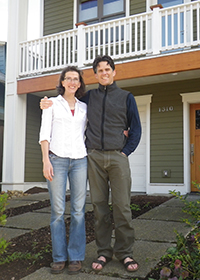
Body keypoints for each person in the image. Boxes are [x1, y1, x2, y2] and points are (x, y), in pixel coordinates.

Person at [40, 55, 142, 272]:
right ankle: (104, 252)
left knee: (122, 207)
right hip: (93, 157)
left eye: (108, 69)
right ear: (95, 75)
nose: (104, 73)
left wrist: (125, 152)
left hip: (117, 157)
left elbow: (136, 129)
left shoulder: (126, 97)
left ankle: (125, 253)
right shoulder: (89, 98)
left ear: (114, 72)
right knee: (100, 208)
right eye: (100, 70)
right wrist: (45, 102)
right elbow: (67, 102)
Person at [39, 66, 88, 275]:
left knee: (78, 211)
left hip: (80, 160)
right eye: (68, 78)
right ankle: (59, 257)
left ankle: (75, 256)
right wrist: (45, 160)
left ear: (79, 83)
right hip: (56, 160)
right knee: (57, 212)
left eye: (75, 79)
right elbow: (44, 133)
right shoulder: (51, 104)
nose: (72, 82)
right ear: (62, 82)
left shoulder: (85, 107)